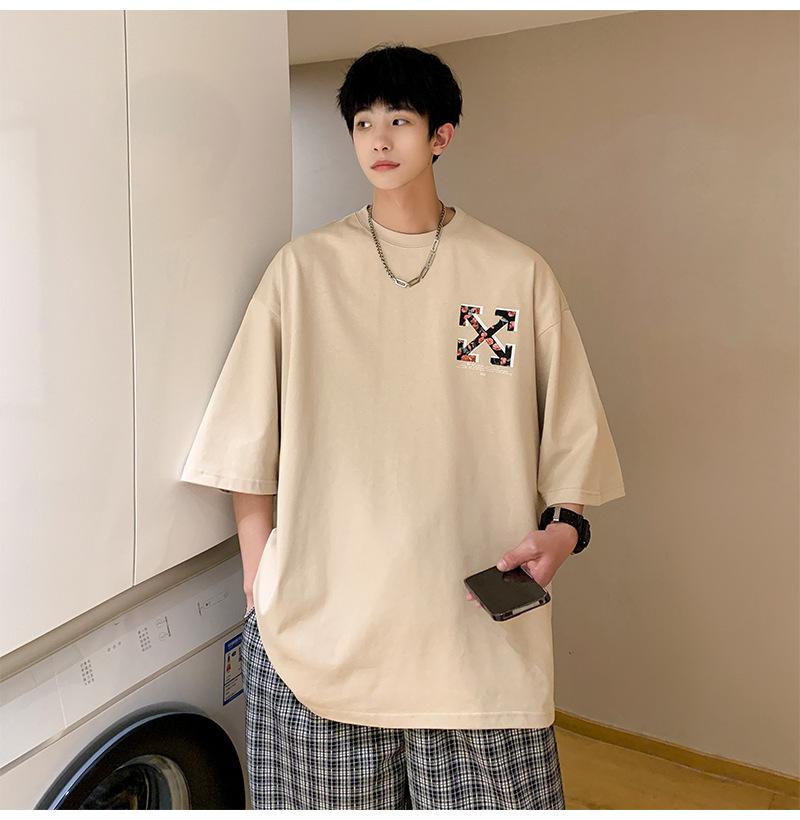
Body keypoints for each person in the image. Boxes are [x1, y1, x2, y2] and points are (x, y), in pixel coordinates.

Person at [180, 43, 625, 810]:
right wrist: (259, 584)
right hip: (325, 638)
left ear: (441, 135)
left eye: (399, 120)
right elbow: (245, 442)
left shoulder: (513, 272)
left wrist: (562, 533)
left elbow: (572, 435)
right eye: (362, 122)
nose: (378, 139)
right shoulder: (303, 271)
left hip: (475, 641)